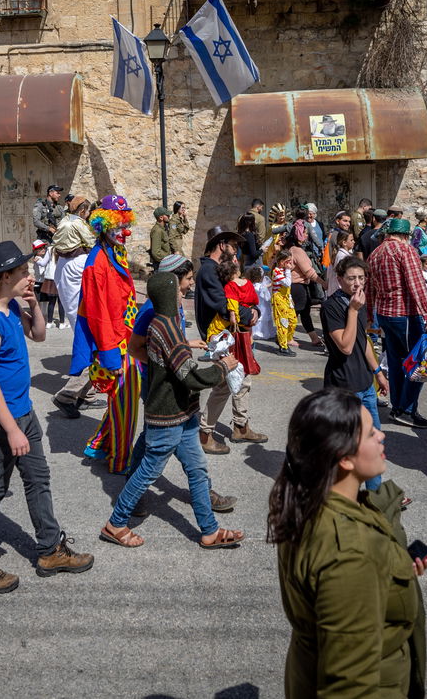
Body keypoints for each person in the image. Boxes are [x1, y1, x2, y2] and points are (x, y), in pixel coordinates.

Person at [269, 389, 427, 698]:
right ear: (343, 457)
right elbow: (349, 687)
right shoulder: (351, 554)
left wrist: (393, 569)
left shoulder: (308, 501)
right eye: (370, 433)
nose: (382, 436)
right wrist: (372, 565)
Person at [0, 241, 94, 593]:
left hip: (22, 412)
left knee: (38, 480)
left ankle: (50, 550)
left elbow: (38, 334)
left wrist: (33, 305)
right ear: (4, 277)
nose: (30, 276)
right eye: (23, 273)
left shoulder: (9, 308)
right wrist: (11, 431)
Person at [100, 270, 246, 550]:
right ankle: (116, 523)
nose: (183, 291)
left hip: (184, 412)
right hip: (167, 416)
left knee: (197, 469)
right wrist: (221, 367)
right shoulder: (165, 326)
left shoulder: (165, 323)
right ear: (168, 293)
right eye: (178, 289)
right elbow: (190, 376)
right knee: (148, 471)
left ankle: (209, 531)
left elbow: (169, 360)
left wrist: (183, 347)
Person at [67, 196, 142, 472]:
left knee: (123, 399)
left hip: (128, 337)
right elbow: (97, 314)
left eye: (126, 224)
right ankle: (121, 461)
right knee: (126, 401)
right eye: (119, 226)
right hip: (116, 345)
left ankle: (100, 443)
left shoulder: (115, 253)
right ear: (103, 226)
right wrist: (110, 355)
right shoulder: (96, 263)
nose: (126, 232)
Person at [319, 256, 390, 492]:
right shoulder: (333, 307)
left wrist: (378, 372)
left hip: (366, 386)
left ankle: (375, 495)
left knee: (372, 444)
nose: (357, 283)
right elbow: (346, 346)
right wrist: (352, 310)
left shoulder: (358, 302)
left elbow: (362, 341)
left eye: (361, 278)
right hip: (343, 388)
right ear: (339, 280)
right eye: (351, 278)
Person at [196, 225, 265, 453]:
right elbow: (223, 305)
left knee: (242, 378)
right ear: (221, 245)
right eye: (233, 245)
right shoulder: (208, 271)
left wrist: (255, 311)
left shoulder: (218, 269)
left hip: (234, 332)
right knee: (225, 384)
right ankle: (205, 433)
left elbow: (242, 295)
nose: (235, 251)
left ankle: (241, 426)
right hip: (221, 336)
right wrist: (251, 316)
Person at [368, 218, 427, 430]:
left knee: (397, 361)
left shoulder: (375, 254)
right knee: (418, 362)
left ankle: (398, 406)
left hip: (385, 314)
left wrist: (371, 316)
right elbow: (416, 285)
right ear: (406, 235)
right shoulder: (405, 251)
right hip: (404, 313)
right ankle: (407, 410)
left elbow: (370, 288)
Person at [52, 195, 94, 331]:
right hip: (76, 263)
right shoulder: (78, 223)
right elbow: (91, 241)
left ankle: (79, 335)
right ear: (82, 211)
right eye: (87, 211)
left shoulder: (65, 220)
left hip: (62, 264)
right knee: (77, 302)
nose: (88, 214)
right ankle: (83, 337)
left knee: (69, 302)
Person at [285, 227, 325, 350]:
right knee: (294, 313)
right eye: (305, 232)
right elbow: (308, 271)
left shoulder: (294, 249)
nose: (307, 235)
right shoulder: (297, 250)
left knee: (304, 313)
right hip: (297, 285)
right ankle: (286, 337)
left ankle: (314, 338)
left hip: (298, 285)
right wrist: (322, 283)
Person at [30, 240, 64, 328]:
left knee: (50, 302)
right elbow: (41, 271)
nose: (42, 249)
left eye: (43, 247)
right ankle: (60, 323)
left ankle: (47, 322)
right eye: (39, 248)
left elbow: (43, 264)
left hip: (47, 280)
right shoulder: (63, 248)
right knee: (55, 302)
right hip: (48, 280)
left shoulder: (49, 250)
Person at [271, 252, 299, 357]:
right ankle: (283, 347)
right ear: (282, 262)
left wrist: (290, 298)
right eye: (288, 261)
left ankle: (284, 340)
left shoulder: (284, 271)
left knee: (293, 320)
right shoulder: (277, 271)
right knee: (283, 322)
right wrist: (288, 270)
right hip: (279, 299)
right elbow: (287, 283)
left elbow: (287, 288)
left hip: (286, 299)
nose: (290, 264)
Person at [325, 229, 356, 293]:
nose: (354, 242)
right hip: (340, 292)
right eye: (351, 240)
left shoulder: (341, 254)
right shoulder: (342, 257)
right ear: (344, 243)